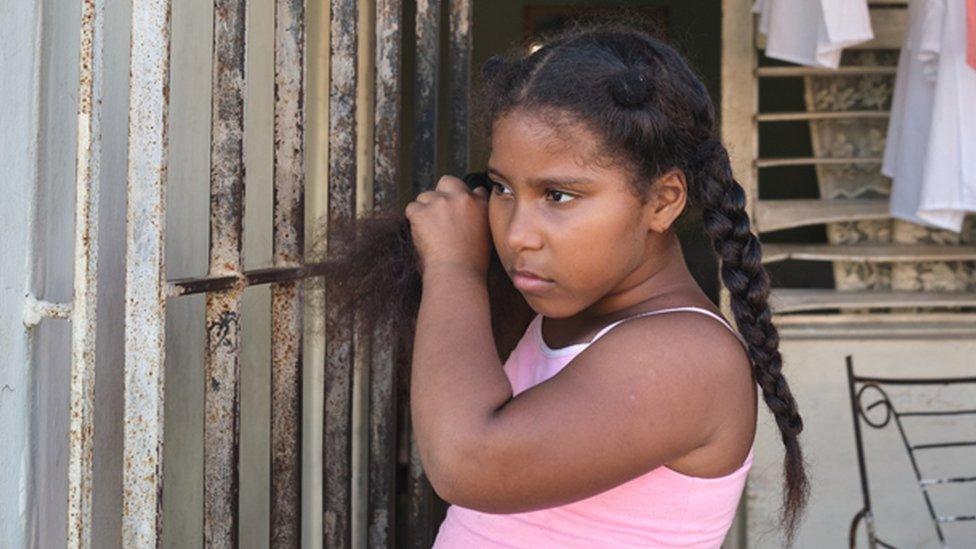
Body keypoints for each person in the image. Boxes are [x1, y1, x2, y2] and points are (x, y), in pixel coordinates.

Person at [400, 21, 808, 549]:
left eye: (559, 196)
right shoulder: (564, 316)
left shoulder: (685, 355)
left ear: (662, 201)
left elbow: (467, 463)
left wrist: (452, 267)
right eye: (503, 188)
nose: (518, 234)